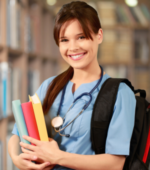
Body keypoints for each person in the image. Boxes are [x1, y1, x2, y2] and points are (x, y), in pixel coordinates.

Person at [8, 1, 136, 170]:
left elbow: (115, 164)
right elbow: (17, 132)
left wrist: (58, 157)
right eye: (64, 40)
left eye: (81, 37)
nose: (73, 47)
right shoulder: (50, 85)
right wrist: (17, 159)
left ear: (99, 35)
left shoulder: (120, 93)